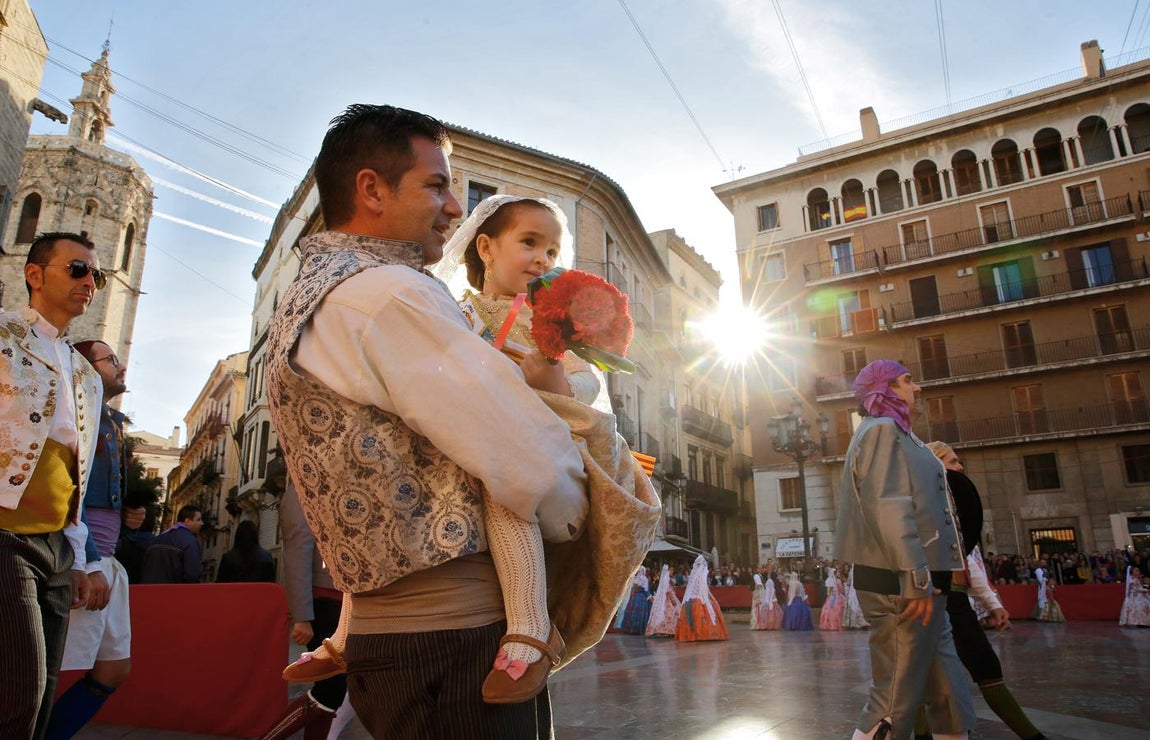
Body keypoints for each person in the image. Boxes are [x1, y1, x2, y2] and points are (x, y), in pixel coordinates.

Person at [264, 104, 591, 739]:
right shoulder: (392, 294)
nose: (454, 207)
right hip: (457, 643)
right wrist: (589, 511)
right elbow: (523, 459)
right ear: (372, 189)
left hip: (386, 641)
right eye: (437, 185)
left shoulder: (308, 295)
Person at [835, 359, 975, 740]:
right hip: (901, 586)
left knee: (948, 691)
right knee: (893, 700)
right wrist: (915, 579)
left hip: (927, 586)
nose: (918, 387)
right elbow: (888, 506)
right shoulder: (881, 430)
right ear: (886, 389)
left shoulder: (901, 434)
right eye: (908, 380)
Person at [0, 232, 104, 740]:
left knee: (42, 695)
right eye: (78, 269)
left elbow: (77, 471)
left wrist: (79, 556)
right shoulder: (2, 335)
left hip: (58, 544)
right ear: (34, 275)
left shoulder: (87, 374)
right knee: (20, 689)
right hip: (6, 535)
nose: (91, 283)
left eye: (96, 275)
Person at [43, 340, 146, 740]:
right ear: (85, 368)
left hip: (105, 560)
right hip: (82, 559)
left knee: (113, 670)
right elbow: (69, 487)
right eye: (111, 360)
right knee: (45, 671)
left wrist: (129, 521)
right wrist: (85, 560)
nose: (121, 366)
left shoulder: (110, 420)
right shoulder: (72, 410)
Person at [925, 441, 1047, 740]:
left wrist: (993, 603)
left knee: (979, 666)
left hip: (954, 596)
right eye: (953, 462)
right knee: (924, 673)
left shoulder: (954, 511)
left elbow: (966, 562)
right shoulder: (927, 507)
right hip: (936, 598)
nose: (960, 466)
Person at [260, 484, 354, 740]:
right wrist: (301, 617)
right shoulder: (300, 490)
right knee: (330, 689)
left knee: (335, 691)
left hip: (344, 602)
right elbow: (297, 553)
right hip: (323, 603)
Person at [140, 505, 203, 584]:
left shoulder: (157, 539)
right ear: (187, 521)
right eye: (198, 520)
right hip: (172, 590)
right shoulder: (190, 541)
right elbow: (192, 575)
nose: (201, 523)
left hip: (147, 588)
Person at [675, 555, 728, 642]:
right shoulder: (702, 573)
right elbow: (703, 588)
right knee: (706, 613)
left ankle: (691, 635)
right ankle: (704, 635)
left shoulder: (693, 574)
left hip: (689, 599)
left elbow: (690, 589)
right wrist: (707, 599)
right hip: (700, 599)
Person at [644, 564, 682, 637]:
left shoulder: (666, 578)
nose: (672, 571)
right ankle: (669, 630)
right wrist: (672, 599)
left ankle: (664, 630)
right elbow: (667, 590)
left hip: (666, 598)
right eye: (671, 570)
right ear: (667, 571)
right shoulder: (666, 579)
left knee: (666, 613)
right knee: (672, 613)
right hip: (668, 599)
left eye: (672, 570)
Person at [620, 566, 652, 635]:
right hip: (642, 598)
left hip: (635, 597)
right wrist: (650, 598)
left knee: (632, 613)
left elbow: (633, 589)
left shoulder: (636, 578)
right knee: (640, 613)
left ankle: (631, 629)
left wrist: (631, 596)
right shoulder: (644, 579)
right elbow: (646, 591)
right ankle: (639, 629)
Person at [841, 564, 869, 629]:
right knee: (854, 605)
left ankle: (859, 623)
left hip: (856, 589)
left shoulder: (854, 571)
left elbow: (849, 582)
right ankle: (855, 623)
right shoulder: (854, 570)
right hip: (855, 590)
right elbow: (849, 582)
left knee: (856, 605)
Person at [819, 565, 844, 631]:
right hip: (837, 597)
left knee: (829, 610)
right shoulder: (838, 581)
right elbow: (841, 590)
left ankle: (829, 625)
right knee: (836, 611)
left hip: (831, 597)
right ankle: (836, 625)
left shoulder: (830, 580)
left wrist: (829, 595)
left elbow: (829, 590)